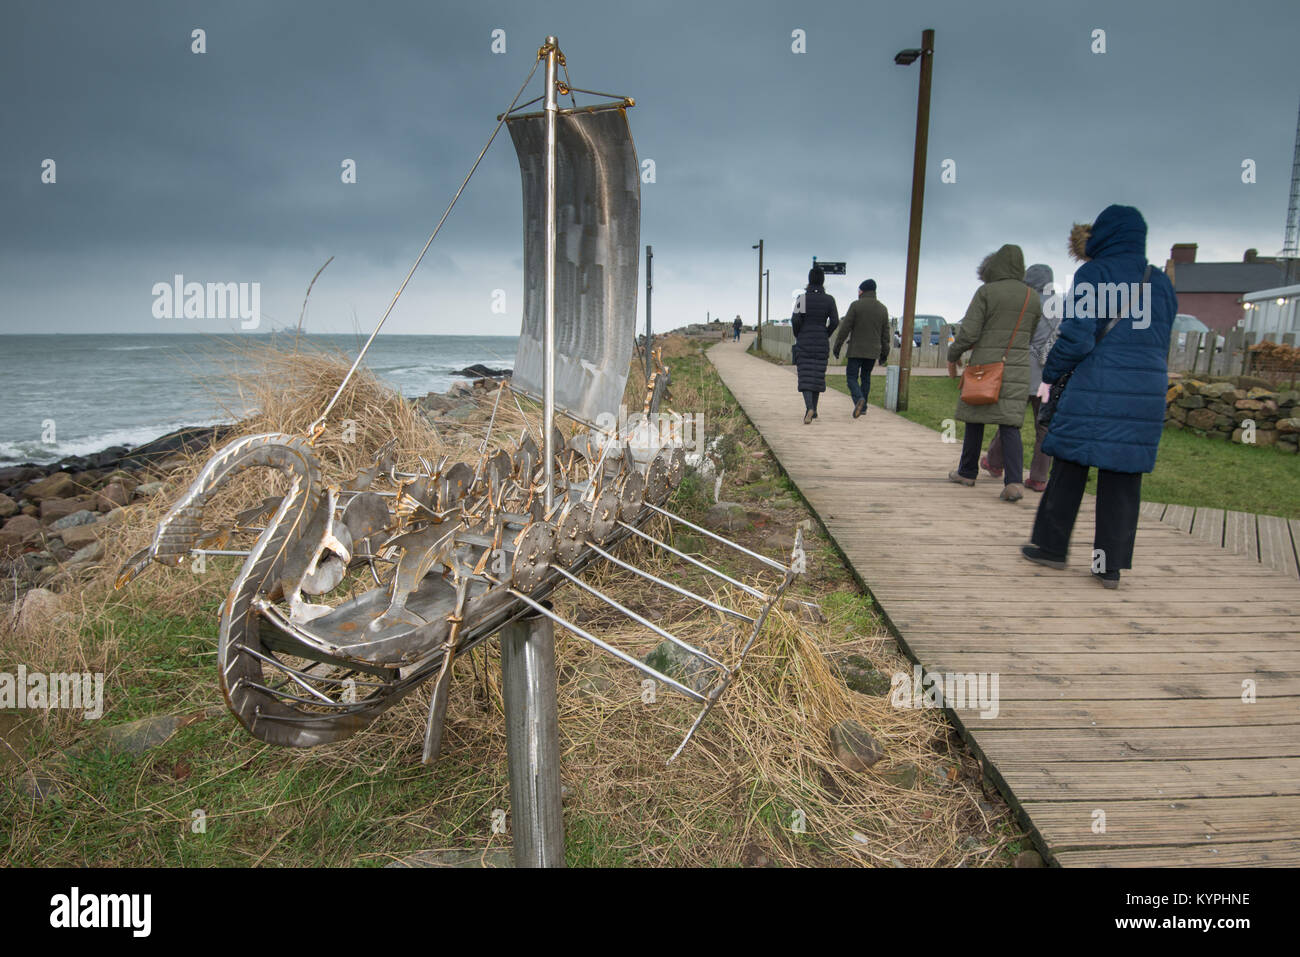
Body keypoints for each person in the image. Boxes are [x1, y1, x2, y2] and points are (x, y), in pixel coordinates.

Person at [1021, 205, 1176, 588]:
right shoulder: (1160, 281)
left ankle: (1052, 548)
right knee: (1123, 477)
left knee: (1070, 466)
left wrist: (1052, 372)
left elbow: (1077, 336)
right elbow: (1162, 337)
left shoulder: (1095, 273)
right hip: (1144, 392)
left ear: (1104, 235)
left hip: (1095, 387)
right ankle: (1109, 566)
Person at [946, 244, 1042, 501]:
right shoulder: (1031, 296)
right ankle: (1014, 483)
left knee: (974, 419)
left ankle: (967, 472)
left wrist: (953, 355)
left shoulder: (986, 291)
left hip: (985, 366)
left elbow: (969, 333)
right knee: (1010, 425)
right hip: (1017, 366)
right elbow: (1030, 334)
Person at [981, 264, 1059, 490]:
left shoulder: (1028, 303)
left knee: (1011, 419)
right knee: (1043, 426)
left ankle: (995, 462)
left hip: (1024, 368)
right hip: (1050, 372)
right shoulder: (1062, 306)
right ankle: (1038, 477)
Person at [832, 279, 890, 417]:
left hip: (856, 350)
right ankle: (863, 408)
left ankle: (859, 399)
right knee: (866, 377)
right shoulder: (882, 309)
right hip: (873, 351)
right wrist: (884, 354)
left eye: (859, 290)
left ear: (862, 291)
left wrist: (837, 346)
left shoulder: (856, 306)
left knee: (851, 377)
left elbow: (845, 328)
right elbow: (886, 334)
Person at [791, 266, 839, 424]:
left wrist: (799, 333)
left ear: (809, 280)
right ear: (823, 281)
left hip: (805, 340)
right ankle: (814, 409)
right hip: (821, 341)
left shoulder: (802, 299)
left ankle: (809, 407)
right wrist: (826, 333)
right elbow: (835, 321)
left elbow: (795, 320)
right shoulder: (829, 300)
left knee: (805, 375)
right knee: (817, 376)